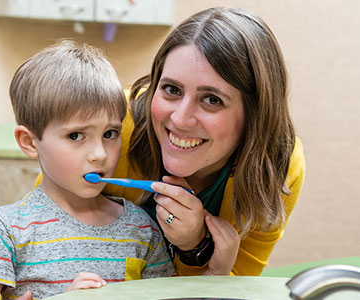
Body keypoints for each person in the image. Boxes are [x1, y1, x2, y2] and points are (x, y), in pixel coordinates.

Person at [36, 6, 305, 277]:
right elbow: (31, 236)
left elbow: (232, 286)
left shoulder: (276, 165)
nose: (180, 118)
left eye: (212, 100)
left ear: (255, 115)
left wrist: (193, 248)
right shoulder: (111, 128)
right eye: (171, 90)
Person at [0, 40, 175, 300]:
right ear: (29, 142)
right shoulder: (6, 232)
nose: (100, 154)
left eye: (110, 133)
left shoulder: (142, 228)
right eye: (75, 136)